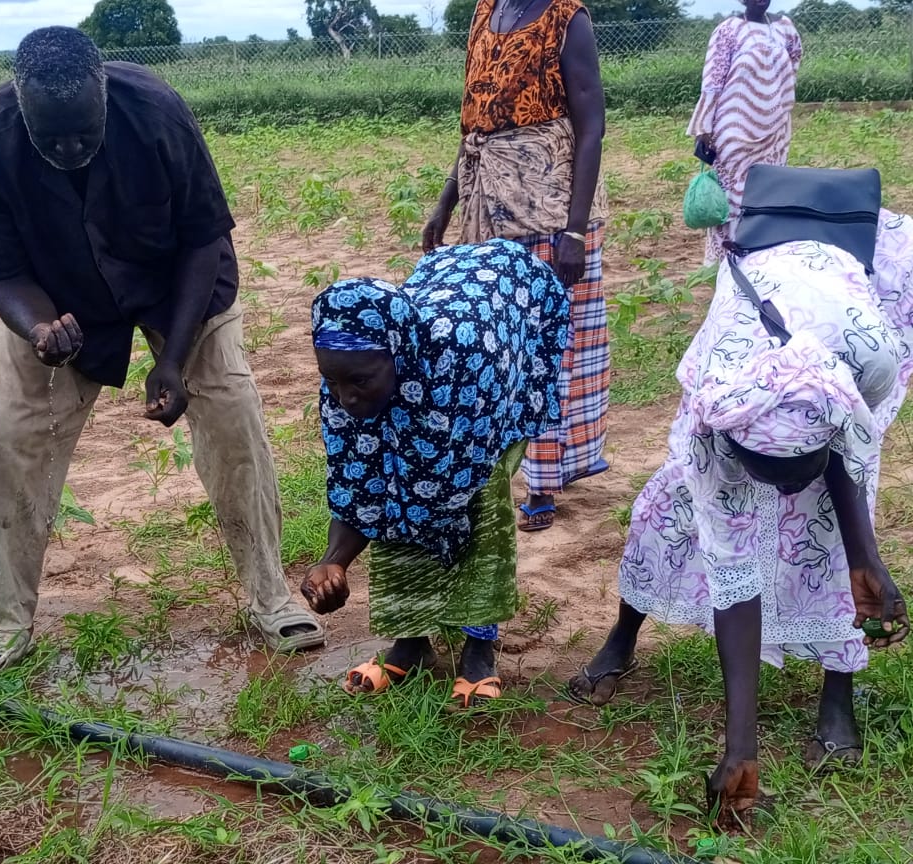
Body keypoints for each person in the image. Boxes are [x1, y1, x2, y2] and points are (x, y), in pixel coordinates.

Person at [0, 26, 323, 665]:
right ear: (20, 104)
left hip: (176, 287)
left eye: (83, 131)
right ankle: (4, 620)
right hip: (55, 299)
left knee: (234, 415)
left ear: (102, 94)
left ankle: (271, 597)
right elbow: (3, 273)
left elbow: (205, 240)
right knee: (10, 435)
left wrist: (173, 360)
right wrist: (40, 330)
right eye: (52, 136)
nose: (70, 147)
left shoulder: (154, 111)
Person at [570, 214, 913, 828]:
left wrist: (866, 557)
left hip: (849, 310)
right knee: (672, 511)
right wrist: (740, 748)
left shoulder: (870, 361)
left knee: (825, 536)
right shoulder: (714, 405)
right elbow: (735, 580)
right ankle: (622, 638)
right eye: (768, 474)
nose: (783, 492)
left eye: (795, 471)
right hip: (758, 307)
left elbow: (850, 455)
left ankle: (838, 695)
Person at [300, 240, 569, 709]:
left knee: (479, 508)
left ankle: (479, 649)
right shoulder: (346, 383)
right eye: (333, 381)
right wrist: (333, 560)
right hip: (444, 329)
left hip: (495, 344)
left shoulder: (462, 370)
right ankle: (411, 643)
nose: (345, 398)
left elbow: (445, 493)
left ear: (398, 356)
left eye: (359, 381)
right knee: (396, 490)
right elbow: (361, 486)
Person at [423, 0, 609, 534]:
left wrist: (574, 231)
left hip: (550, 214)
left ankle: (544, 480)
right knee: (492, 346)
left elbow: (591, 125)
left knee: (551, 350)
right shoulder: (486, 13)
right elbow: (472, 129)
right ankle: (492, 470)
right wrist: (445, 202)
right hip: (486, 208)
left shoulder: (565, 18)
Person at [689, 0, 803, 264]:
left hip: (775, 132)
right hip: (734, 131)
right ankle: (725, 265)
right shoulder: (729, 30)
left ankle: (758, 260)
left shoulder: (786, 29)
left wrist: (778, 98)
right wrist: (704, 128)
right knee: (731, 200)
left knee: (767, 193)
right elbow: (712, 81)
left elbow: (794, 63)